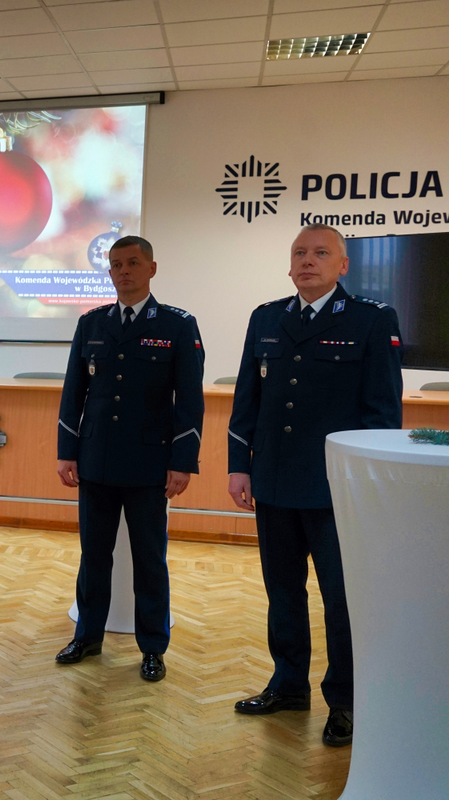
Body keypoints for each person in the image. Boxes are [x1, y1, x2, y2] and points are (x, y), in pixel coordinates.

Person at [227, 223, 402, 747]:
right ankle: (288, 683)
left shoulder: (372, 321)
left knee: (341, 599)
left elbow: (381, 414)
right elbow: (246, 402)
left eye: (321, 253)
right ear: (289, 263)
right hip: (274, 482)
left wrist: (366, 483)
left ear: (342, 265)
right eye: (300, 252)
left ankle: (345, 699)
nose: (309, 260)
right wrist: (240, 464)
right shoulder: (266, 318)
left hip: (335, 490)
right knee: (282, 592)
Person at [55, 235, 205, 682]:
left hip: (149, 464)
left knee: (148, 560)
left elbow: (190, 400)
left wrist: (183, 460)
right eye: (116, 264)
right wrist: (68, 451)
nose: (124, 271)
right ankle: (88, 635)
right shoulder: (92, 323)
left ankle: (153, 647)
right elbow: (73, 392)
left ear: (152, 269)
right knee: (94, 556)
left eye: (133, 263)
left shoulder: (178, 325)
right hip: (96, 460)